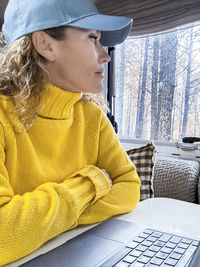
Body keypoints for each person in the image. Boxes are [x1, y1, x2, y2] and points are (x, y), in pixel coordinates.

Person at [0, 0, 140, 265]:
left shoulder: (92, 117)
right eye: (92, 38)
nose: (105, 55)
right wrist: (92, 181)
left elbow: (130, 187)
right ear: (45, 44)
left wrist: (43, 223)